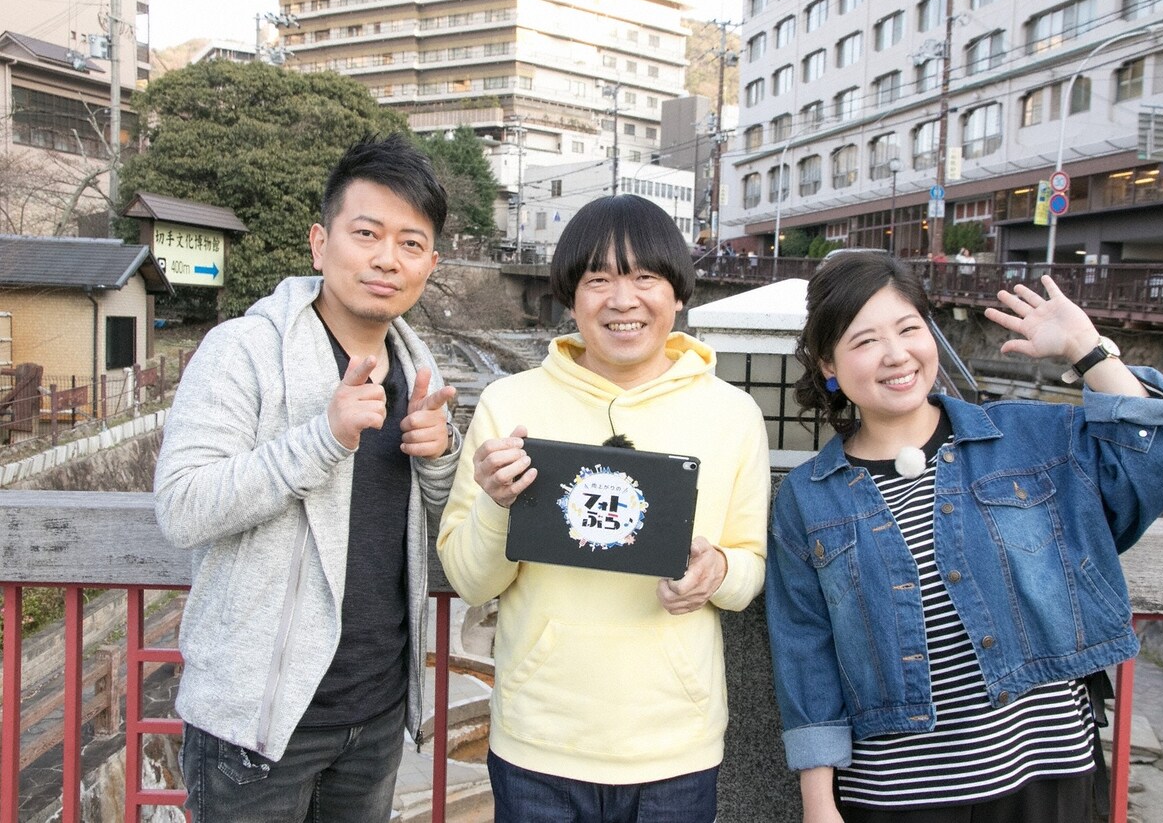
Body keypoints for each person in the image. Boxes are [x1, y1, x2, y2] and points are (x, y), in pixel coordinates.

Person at [766, 249, 1163, 823]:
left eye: (909, 329)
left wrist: (1088, 351)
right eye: (864, 341)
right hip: (897, 795)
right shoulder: (807, 497)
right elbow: (806, 654)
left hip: (1045, 772)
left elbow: (1161, 463)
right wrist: (818, 804)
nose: (896, 355)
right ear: (828, 364)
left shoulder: (1028, 439)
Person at [154, 133, 461, 822]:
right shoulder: (243, 350)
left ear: (430, 264)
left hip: (376, 716)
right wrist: (322, 438)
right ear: (321, 243)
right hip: (256, 721)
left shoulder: (421, 373)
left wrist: (441, 455)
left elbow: (442, 527)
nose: (387, 258)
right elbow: (182, 506)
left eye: (411, 243)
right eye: (367, 233)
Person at [437, 193, 770, 822]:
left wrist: (717, 573)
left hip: (677, 747)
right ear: (571, 297)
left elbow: (749, 566)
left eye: (645, 277)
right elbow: (469, 578)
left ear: (677, 294)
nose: (623, 300)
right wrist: (496, 504)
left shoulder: (732, 413)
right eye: (599, 280)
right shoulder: (509, 406)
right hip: (538, 742)